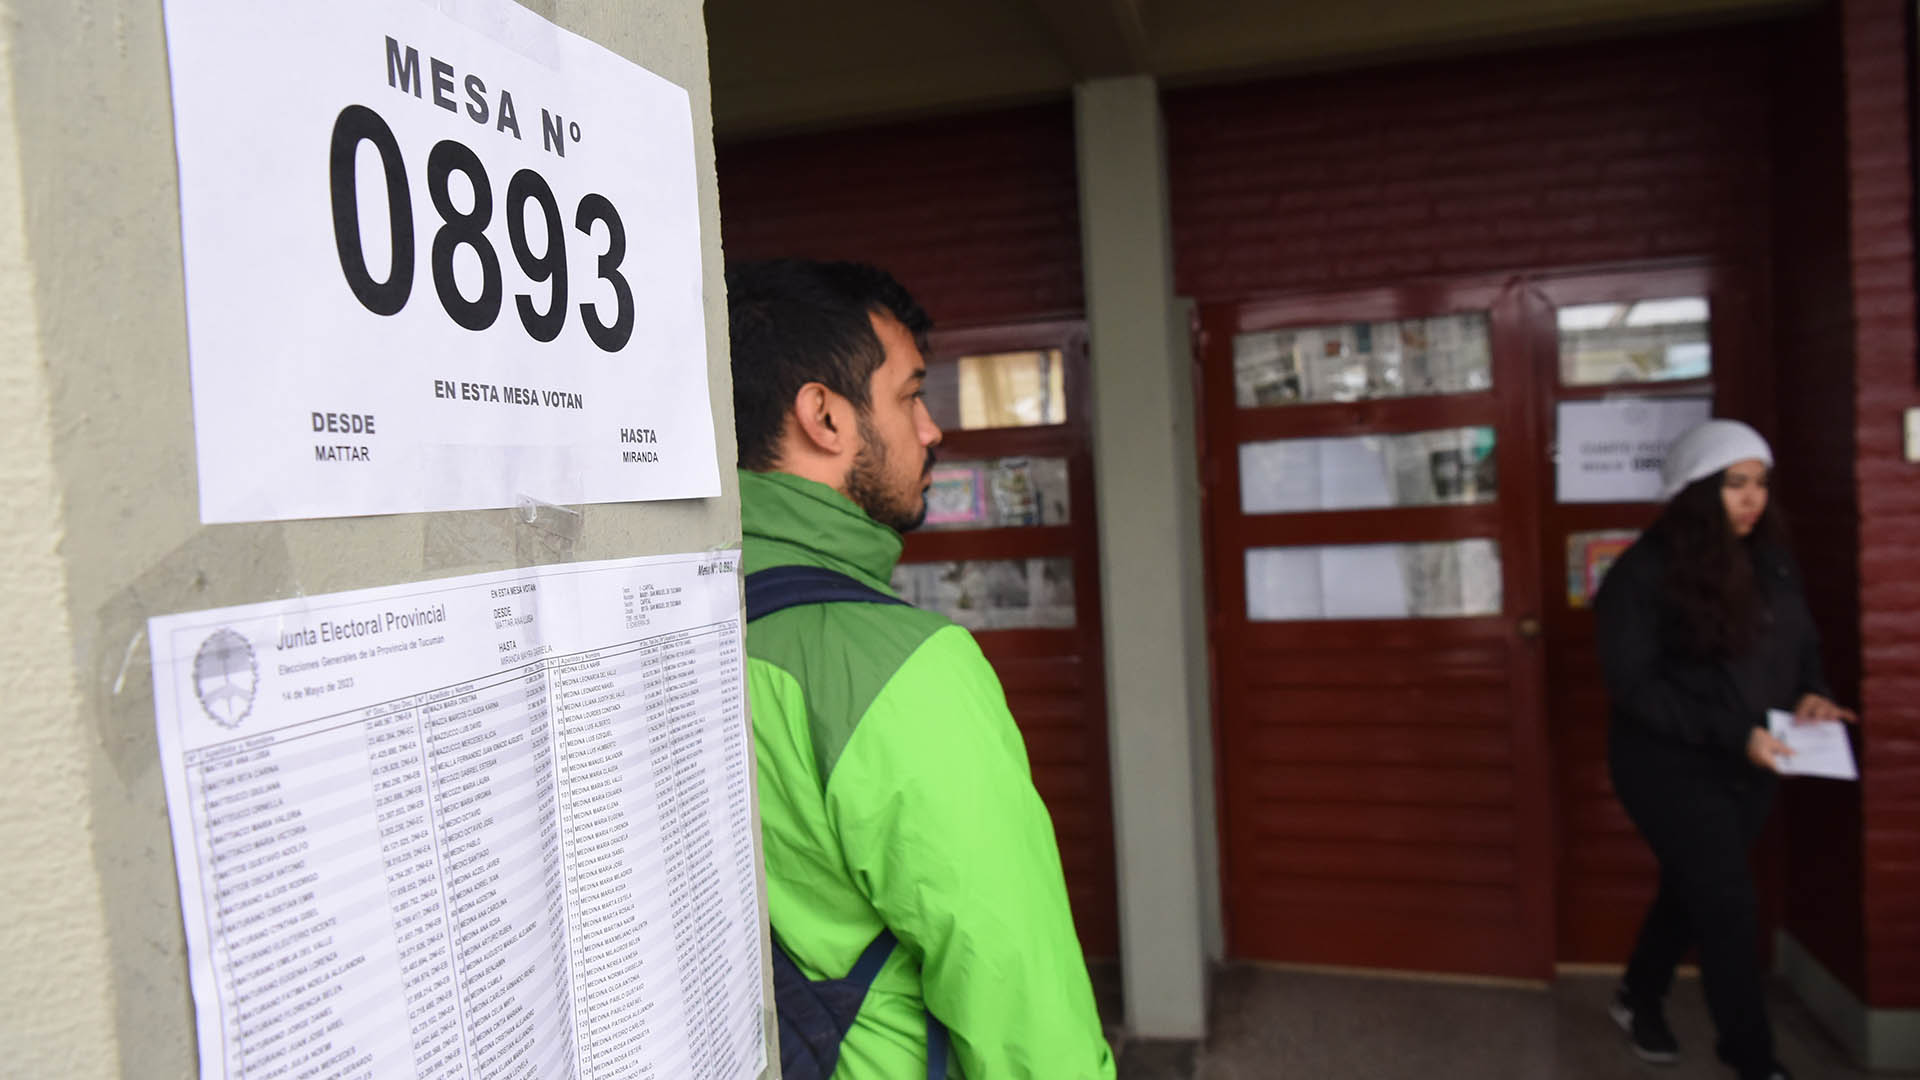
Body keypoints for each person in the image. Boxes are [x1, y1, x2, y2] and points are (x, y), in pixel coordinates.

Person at [726, 258, 1116, 1080]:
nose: (932, 428)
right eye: (909, 395)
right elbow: (1021, 1004)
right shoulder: (902, 669)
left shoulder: (673, 625)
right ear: (824, 417)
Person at [1595, 419, 1855, 1080]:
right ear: (1695, 489)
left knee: (1696, 887)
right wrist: (1733, 730)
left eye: (1761, 483)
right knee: (1728, 902)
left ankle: (1637, 995)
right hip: (1666, 765)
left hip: (1754, 760)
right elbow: (1635, 686)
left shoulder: (1771, 559)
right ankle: (1752, 1058)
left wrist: (1812, 695)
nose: (1752, 499)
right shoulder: (1642, 572)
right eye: (1734, 484)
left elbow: (1800, 646)